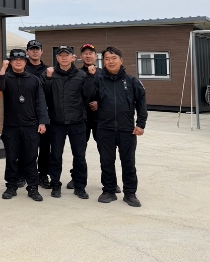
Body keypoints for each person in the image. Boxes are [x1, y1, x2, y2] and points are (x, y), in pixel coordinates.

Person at [90, 47, 147, 207]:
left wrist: (141, 124)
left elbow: (141, 103)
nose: (111, 61)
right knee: (106, 162)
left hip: (126, 129)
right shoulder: (99, 80)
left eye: (114, 58)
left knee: (128, 162)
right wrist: (91, 80)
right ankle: (109, 190)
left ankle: (130, 193)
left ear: (121, 60)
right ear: (103, 62)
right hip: (105, 128)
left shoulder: (132, 81)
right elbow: (88, 96)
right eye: (107, 59)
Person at [67, 44, 122, 192]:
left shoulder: (104, 73)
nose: (88, 56)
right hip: (82, 119)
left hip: (101, 119)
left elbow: (110, 94)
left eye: (91, 53)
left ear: (96, 57)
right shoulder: (77, 73)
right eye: (85, 53)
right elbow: (74, 95)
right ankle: (76, 177)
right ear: (81, 57)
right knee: (79, 151)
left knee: (106, 152)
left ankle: (111, 182)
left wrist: (99, 103)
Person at [41, 46, 94, 200]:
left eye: (67, 55)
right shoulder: (50, 74)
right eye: (61, 55)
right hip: (57, 122)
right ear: (57, 58)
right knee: (56, 155)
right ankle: (55, 185)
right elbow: (43, 95)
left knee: (79, 156)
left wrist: (91, 78)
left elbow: (88, 95)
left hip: (77, 122)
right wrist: (48, 79)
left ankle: (80, 187)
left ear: (73, 57)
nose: (64, 58)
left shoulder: (82, 75)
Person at [0, 49, 49, 202]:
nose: (18, 62)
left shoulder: (34, 80)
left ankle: (33, 187)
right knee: (11, 158)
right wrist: (3, 69)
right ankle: (11, 186)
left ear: (26, 62)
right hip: (11, 126)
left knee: (31, 157)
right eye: (14, 59)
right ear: (10, 62)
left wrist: (43, 121)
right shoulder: (6, 77)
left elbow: (40, 101)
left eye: (21, 59)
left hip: (30, 125)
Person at [24, 39, 50, 189]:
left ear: (41, 51)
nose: (35, 51)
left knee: (45, 148)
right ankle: (25, 174)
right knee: (26, 147)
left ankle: (43, 175)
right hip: (25, 113)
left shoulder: (48, 70)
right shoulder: (21, 68)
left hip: (44, 113)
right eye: (32, 49)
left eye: (37, 49)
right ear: (27, 51)